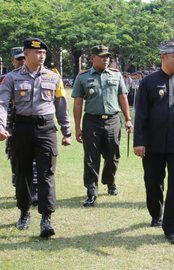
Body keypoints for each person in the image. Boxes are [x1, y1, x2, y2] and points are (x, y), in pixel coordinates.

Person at [0, 37, 71, 238]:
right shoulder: (12, 78)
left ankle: (46, 218)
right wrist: (1, 125)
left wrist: (67, 132)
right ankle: (24, 212)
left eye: (43, 53)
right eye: (37, 52)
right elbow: (2, 102)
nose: (41, 56)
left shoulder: (53, 77)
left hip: (46, 128)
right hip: (21, 128)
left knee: (46, 173)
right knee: (22, 173)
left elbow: (61, 105)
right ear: (26, 54)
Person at [133, 39, 174, 244]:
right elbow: (141, 114)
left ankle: (172, 229)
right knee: (153, 181)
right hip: (153, 143)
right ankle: (156, 213)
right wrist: (139, 141)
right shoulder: (148, 82)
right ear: (163, 57)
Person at [72, 45, 132, 207]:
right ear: (93, 58)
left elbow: (123, 97)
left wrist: (127, 119)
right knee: (91, 158)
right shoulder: (82, 77)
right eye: (102, 56)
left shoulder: (116, 75)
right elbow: (78, 103)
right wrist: (77, 128)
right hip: (92, 121)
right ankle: (91, 191)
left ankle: (109, 181)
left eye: (107, 57)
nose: (106, 59)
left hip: (113, 120)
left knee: (113, 157)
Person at [4, 47, 38, 205]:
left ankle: (34, 190)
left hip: (30, 125)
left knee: (35, 160)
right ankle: (20, 186)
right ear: (13, 61)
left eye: (24, 58)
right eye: (19, 59)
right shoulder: (7, 78)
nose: (22, 62)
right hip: (11, 126)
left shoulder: (36, 77)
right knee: (15, 158)